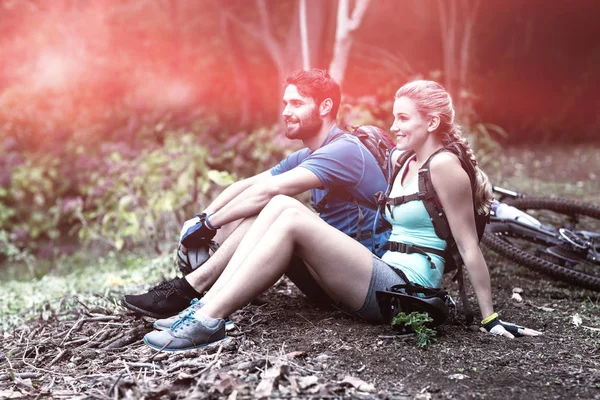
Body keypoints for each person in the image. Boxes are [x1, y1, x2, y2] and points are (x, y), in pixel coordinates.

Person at [143, 80, 542, 351]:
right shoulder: (404, 162)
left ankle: (208, 319)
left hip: (408, 293)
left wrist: (491, 319)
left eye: (403, 118)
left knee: (288, 210)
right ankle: (205, 309)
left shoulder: (444, 166)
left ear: (432, 122)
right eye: (395, 116)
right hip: (382, 275)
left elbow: (470, 248)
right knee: (283, 205)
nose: (393, 126)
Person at [121, 68, 391, 320]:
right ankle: (191, 291)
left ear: (325, 107)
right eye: (286, 103)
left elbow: (269, 191)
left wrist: (210, 226)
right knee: (259, 212)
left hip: (360, 278)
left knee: (276, 205)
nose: (286, 111)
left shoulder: (344, 150)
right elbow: (246, 185)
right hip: (330, 272)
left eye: (297, 104)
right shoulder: (309, 155)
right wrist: (201, 218)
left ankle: (191, 291)